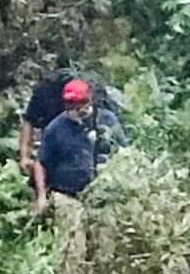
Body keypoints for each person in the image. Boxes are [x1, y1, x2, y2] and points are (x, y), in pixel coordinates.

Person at [31, 78, 124, 212]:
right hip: (65, 196)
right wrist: (41, 196)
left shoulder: (107, 120)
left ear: (89, 101)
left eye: (81, 104)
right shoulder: (55, 128)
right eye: (71, 106)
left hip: (103, 194)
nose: (77, 110)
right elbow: (41, 163)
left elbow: (123, 152)